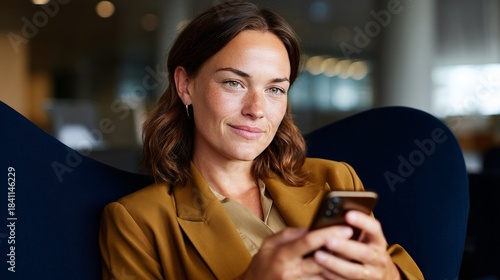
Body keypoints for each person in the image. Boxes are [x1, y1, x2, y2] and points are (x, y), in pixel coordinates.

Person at [99, 1, 424, 279]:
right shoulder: (138, 222)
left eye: (274, 89)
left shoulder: (335, 179)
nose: (257, 110)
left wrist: (387, 274)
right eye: (234, 83)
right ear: (185, 85)